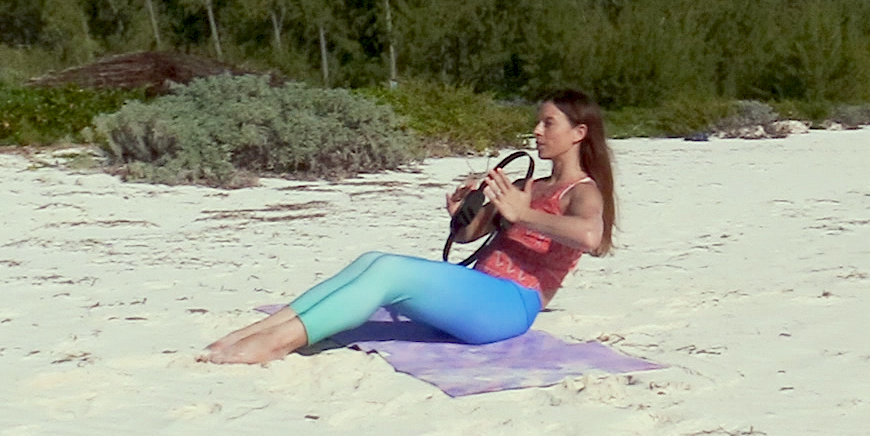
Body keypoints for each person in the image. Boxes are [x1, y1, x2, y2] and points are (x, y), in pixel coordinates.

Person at [199, 89, 617, 364]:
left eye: (548, 123)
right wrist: (462, 213)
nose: (537, 131)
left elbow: (589, 236)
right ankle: (258, 331)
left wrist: (522, 213)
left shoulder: (582, 191)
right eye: (539, 122)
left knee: (388, 273)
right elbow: (471, 238)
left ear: (579, 133)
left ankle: (278, 343)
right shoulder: (531, 184)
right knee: (372, 259)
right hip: (480, 290)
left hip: (512, 306)